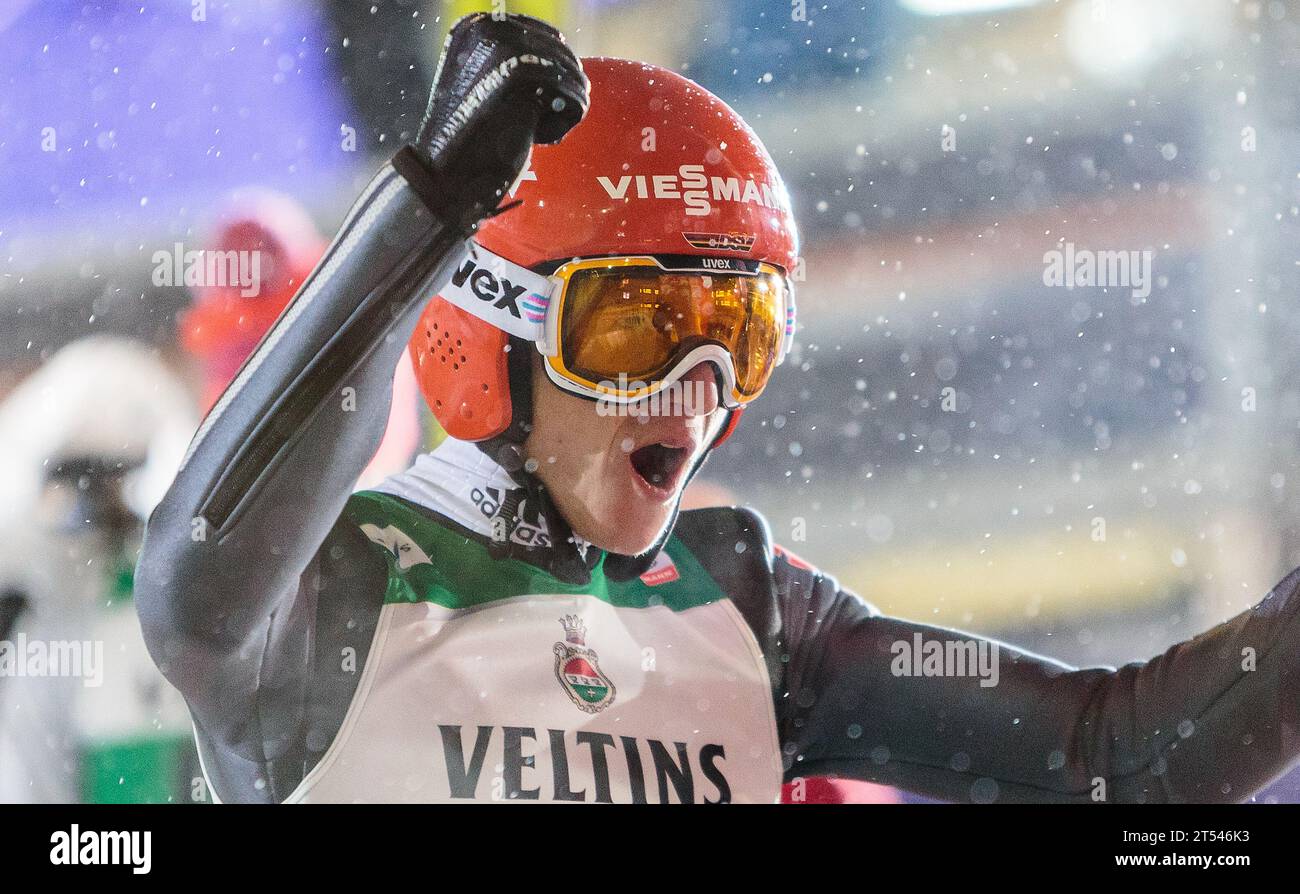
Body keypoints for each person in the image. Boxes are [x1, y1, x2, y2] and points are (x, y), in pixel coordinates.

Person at [136, 13, 1300, 804]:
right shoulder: (332, 588)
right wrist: (428, 204)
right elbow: (193, 583)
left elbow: (1125, 760)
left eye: (740, 332)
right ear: (492, 330)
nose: (698, 391)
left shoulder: (753, 608)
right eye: (640, 327)